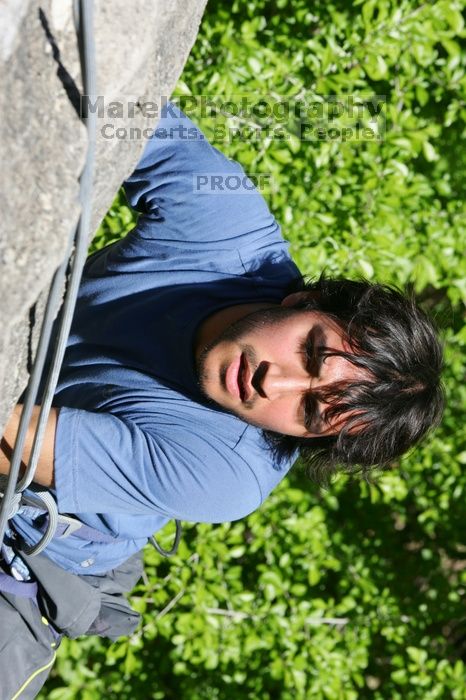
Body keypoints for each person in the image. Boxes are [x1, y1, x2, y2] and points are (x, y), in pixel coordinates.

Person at [0, 102, 444, 697]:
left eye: (309, 411)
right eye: (311, 355)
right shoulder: (226, 230)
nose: (274, 384)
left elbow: (8, 445)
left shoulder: (226, 472)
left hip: (36, 531)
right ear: (304, 302)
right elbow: (116, 94)